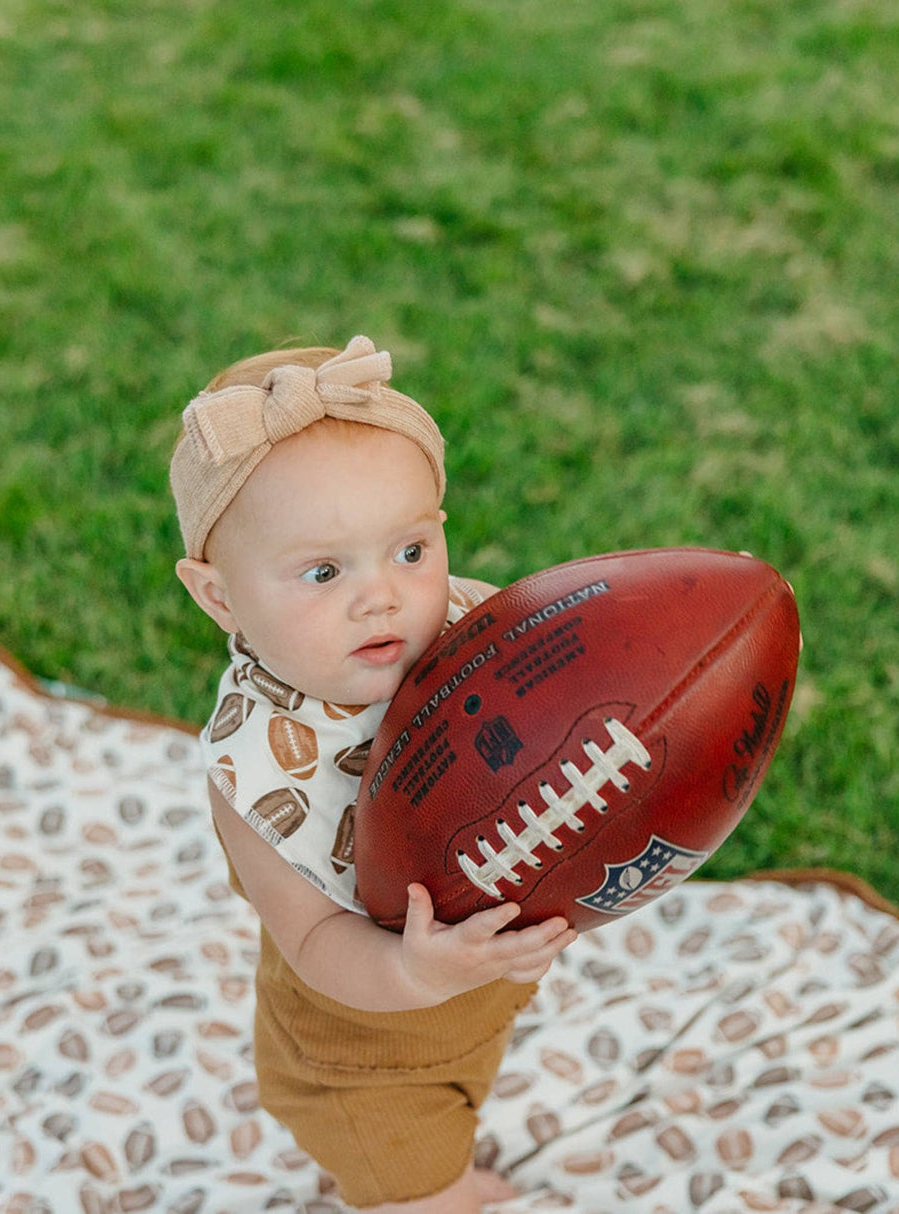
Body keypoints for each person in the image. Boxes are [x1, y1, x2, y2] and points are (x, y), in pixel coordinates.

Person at [170, 336, 576, 1211]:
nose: (383, 596)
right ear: (220, 598)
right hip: (364, 1052)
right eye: (323, 571)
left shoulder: (466, 630)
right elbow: (315, 943)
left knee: (455, 1111)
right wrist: (418, 978)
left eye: (410, 551)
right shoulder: (255, 772)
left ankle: (445, 1167)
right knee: (415, 1187)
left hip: (472, 1000)